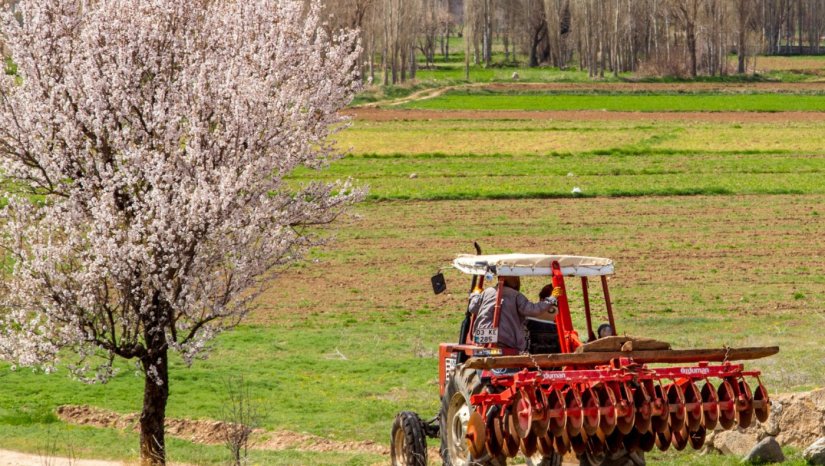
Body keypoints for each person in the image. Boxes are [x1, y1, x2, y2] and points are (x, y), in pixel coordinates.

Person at [469, 276, 558, 352]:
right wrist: (552, 298)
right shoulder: (516, 296)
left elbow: (472, 308)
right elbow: (533, 310)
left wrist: (475, 294)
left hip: (481, 338)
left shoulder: (487, 292)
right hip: (505, 340)